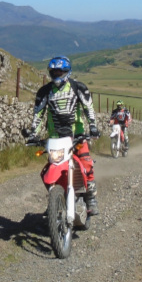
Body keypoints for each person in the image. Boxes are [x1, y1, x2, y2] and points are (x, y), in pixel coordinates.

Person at [26, 56, 101, 215]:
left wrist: (93, 126)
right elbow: (38, 114)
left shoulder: (78, 87)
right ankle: (55, 201)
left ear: (67, 72)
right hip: (55, 138)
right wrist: (33, 133)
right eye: (54, 72)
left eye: (60, 71)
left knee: (86, 163)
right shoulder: (45, 91)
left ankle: (90, 198)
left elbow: (88, 108)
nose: (57, 75)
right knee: (52, 167)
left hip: (77, 135)